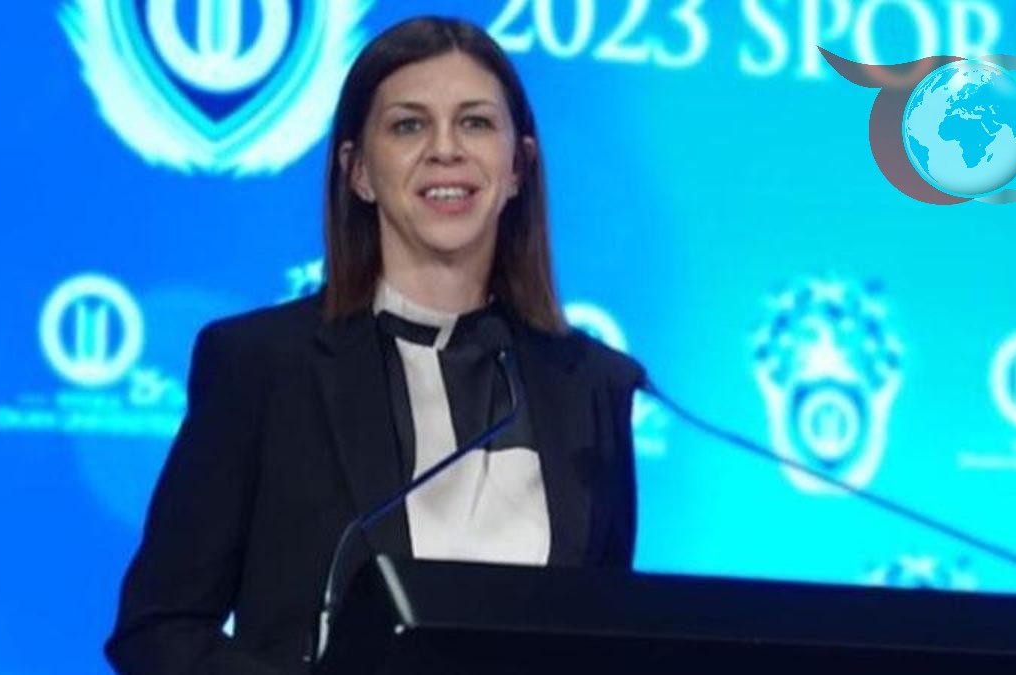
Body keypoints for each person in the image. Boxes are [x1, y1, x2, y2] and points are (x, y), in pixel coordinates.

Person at [105, 16, 643, 675]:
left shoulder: (592, 384)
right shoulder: (262, 366)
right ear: (358, 170)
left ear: (517, 168)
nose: (445, 149)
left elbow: (603, 638)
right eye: (409, 125)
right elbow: (159, 629)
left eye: (475, 123)